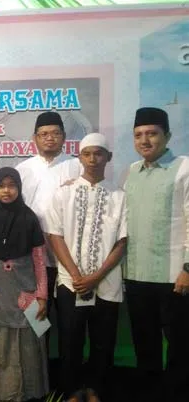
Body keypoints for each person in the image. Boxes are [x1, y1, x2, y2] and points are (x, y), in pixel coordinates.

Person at [45, 133, 126, 400]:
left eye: (98, 154)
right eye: (87, 154)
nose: (93, 159)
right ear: (79, 157)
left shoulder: (119, 196)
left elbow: (122, 241)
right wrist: (77, 275)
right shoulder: (63, 193)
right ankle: (71, 390)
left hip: (107, 282)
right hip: (71, 282)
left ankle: (94, 389)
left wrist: (96, 276)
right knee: (70, 340)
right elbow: (55, 236)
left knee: (103, 341)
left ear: (108, 157)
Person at [123, 107, 189, 401]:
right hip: (137, 274)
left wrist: (188, 268)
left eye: (152, 133)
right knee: (144, 343)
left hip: (174, 276)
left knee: (179, 345)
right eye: (138, 135)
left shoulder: (184, 168)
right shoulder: (131, 172)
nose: (144, 140)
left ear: (168, 136)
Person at [0, 167, 49, 401]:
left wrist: (42, 296)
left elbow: (39, 260)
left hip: (25, 288)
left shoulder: (29, 218)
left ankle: (27, 392)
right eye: (1, 186)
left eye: (12, 186)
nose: (6, 191)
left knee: (31, 338)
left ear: (19, 188)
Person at [15, 111, 82, 354]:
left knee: (69, 320)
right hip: (33, 261)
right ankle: (38, 369)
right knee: (37, 318)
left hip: (68, 260)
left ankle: (66, 372)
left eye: (55, 133)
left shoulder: (77, 166)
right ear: (35, 138)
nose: (49, 138)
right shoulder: (23, 169)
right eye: (44, 134)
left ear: (64, 137)